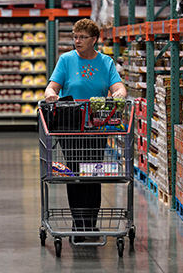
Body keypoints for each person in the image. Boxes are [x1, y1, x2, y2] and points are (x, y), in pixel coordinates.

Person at [44, 18, 127, 242]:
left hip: (97, 126)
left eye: (82, 37)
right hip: (70, 126)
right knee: (76, 174)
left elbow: (118, 86)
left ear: (94, 40)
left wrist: (119, 93)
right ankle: (78, 224)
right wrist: (50, 93)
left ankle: (91, 224)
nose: (77, 41)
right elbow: (52, 85)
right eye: (75, 37)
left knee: (93, 174)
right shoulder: (66, 60)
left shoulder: (106, 62)